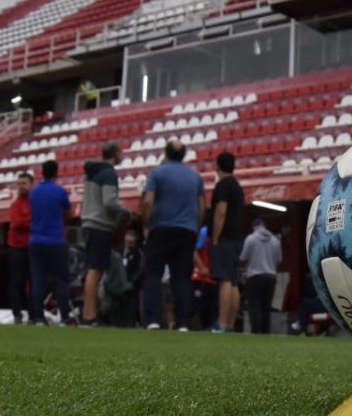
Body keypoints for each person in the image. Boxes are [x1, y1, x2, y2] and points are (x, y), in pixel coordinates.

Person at [138, 141, 204, 330]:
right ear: (184, 155)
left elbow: (148, 201)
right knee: (182, 278)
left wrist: (146, 223)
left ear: (165, 153)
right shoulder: (195, 177)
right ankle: (183, 322)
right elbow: (200, 207)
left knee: (153, 276)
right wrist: (195, 228)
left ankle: (153, 320)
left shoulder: (157, 173)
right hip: (186, 231)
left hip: (161, 229)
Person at [81, 142, 131, 325]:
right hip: (100, 225)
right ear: (116, 153)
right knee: (95, 271)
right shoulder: (109, 173)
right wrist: (126, 211)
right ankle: (90, 316)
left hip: (89, 223)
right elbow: (109, 201)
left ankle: (88, 314)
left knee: (93, 271)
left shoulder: (92, 172)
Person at [29, 159, 73, 325]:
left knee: (38, 280)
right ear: (56, 172)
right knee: (61, 280)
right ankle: (64, 317)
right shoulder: (60, 191)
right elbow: (68, 213)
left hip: (36, 240)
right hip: (55, 241)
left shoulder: (34, 192)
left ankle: (38, 317)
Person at [208, 152, 246, 333]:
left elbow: (220, 211)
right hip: (237, 237)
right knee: (233, 281)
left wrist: (215, 236)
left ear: (218, 166)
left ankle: (221, 324)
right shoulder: (237, 186)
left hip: (225, 238)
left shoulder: (223, 185)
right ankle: (230, 324)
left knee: (224, 280)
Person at [240, 218, 281, 334]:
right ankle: (266, 332)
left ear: (254, 227)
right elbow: (279, 259)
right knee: (266, 307)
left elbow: (243, 257)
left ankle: (256, 332)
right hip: (271, 277)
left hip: (255, 276)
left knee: (254, 305)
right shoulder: (275, 241)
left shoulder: (250, 239)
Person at [7, 172, 33, 324]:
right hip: (16, 247)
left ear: (31, 184)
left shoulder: (34, 202)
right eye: (19, 183)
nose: (21, 186)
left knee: (33, 281)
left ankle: (33, 312)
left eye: (24, 183)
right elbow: (17, 223)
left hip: (31, 246)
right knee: (17, 281)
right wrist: (31, 221)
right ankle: (17, 314)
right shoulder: (16, 205)